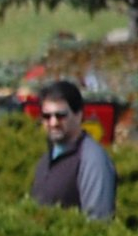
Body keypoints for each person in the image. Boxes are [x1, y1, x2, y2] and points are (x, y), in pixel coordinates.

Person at [30, 79, 115, 221]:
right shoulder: (47, 157)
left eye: (61, 116)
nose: (53, 123)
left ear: (78, 115)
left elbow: (98, 221)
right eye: (47, 116)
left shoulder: (92, 159)